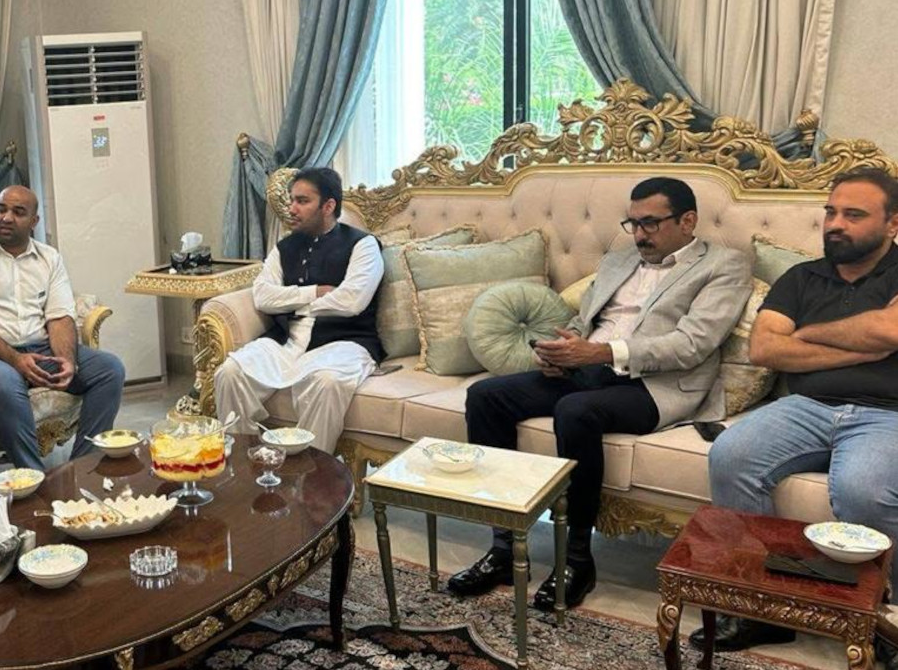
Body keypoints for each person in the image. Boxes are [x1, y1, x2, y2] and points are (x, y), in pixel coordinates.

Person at [447, 177, 750, 611]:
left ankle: (577, 558)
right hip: (588, 368)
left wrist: (602, 352)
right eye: (633, 223)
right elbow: (586, 320)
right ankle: (503, 548)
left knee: (576, 410)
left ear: (688, 221)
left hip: (657, 385)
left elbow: (693, 344)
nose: (639, 234)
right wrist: (562, 350)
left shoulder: (723, 265)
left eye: (650, 223)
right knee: (485, 396)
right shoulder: (619, 260)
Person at [694, 167, 898, 664]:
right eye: (831, 212)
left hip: (888, 412)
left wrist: (805, 334)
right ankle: (761, 607)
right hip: (807, 406)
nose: (836, 224)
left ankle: (884, 616)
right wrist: (863, 343)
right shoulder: (801, 277)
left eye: (854, 215)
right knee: (731, 455)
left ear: (892, 223)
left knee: (862, 490)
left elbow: (891, 332)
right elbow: (765, 348)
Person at [0, 185, 125, 471]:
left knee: (109, 369)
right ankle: (35, 480)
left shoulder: (49, 258)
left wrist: (66, 360)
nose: (6, 217)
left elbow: (60, 317)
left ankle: (83, 468)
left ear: (34, 221)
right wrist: (16, 360)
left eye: (18, 212)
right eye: (2, 209)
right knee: (6, 382)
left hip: (39, 348)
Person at [214, 167, 384, 453]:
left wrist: (289, 300)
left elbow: (352, 301)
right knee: (230, 372)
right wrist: (314, 292)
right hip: (286, 341)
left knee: (326, 381)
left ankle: (313, 472)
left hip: (343, 342)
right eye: (292, 199)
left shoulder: (363, 245)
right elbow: (263, 296)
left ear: (328, 206)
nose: (291, 208)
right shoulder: (284, 247)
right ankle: (244, 462)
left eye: (302, 201)